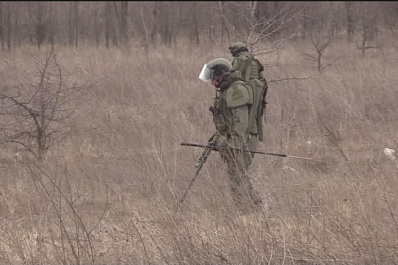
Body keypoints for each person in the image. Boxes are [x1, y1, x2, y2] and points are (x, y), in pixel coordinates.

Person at [198, 58, 263, 210]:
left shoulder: (236, 90)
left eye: (213, 78)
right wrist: (217, 140)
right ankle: (255, 206)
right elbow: (226, 122)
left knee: (237, 176)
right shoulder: (227, 90)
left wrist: (234, 143)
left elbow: (241, 121)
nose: (212, 82)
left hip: (242, 140)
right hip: (236, 139)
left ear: (222, 76)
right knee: (238, 174)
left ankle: (245, 211)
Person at [229, 42, 268, 123]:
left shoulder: (237, 60)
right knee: (254, 120)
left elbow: (229, 76)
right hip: (256, 93)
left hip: (242, 94)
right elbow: (261, 80)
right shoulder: (255, 62)